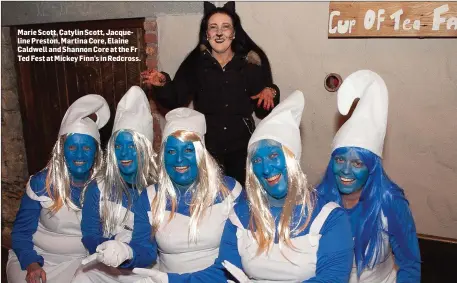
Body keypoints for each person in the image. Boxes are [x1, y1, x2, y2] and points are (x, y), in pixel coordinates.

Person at [132, 91, 354, 283]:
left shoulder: (330, 218)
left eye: (275, 155)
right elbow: (223, 272)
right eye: (257, 160)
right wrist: (172, 280)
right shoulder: (241, 214)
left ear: (293, 158)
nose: (266, 168)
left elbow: (332, 279)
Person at [90, 108, 242, 277]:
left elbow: (234, 257)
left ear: (202, 154)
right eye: (171, 151)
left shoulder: (230, 191)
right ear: (163, 155)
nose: (178, 159)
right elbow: (145, 251)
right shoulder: (149, 198)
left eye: (188, 150)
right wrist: (126, 252)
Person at [142, 1, 280, 184]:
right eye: (213, 28)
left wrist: (271, 92)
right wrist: (163, 84)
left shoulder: (249, 66)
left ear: (234, 33)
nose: (220, 33)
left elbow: (263, 110)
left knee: (241, 200)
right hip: (207, 149)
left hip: (242, 149)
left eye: (225, 27)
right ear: (206, 34)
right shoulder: (195, 65)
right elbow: (175, 100)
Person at [316, 70, 421, 282]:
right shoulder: (318, 199)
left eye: (357, 163)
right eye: (339, 160)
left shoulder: (390, 202)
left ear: (371, 167)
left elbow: (410, 265)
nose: (345, 170)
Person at [6, 95, 110, 283]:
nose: (79, 155)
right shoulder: (41, 183)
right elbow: (21, 233)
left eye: (86, 148)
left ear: (96, 152)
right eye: (72, 147)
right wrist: (31, 264)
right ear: (62, 150)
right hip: (38, 258)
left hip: (84, 261)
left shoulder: (105, 186)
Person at [73, 86, 159, 283]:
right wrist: (107, 249)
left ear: (144, 148)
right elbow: (89, 233)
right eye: (118, 146)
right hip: (104, 265)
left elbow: (153, 247)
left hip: (143, 267)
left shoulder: (159, 190)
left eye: (132, 146)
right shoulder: (98, 187)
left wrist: (127, 252)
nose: (125, 154)